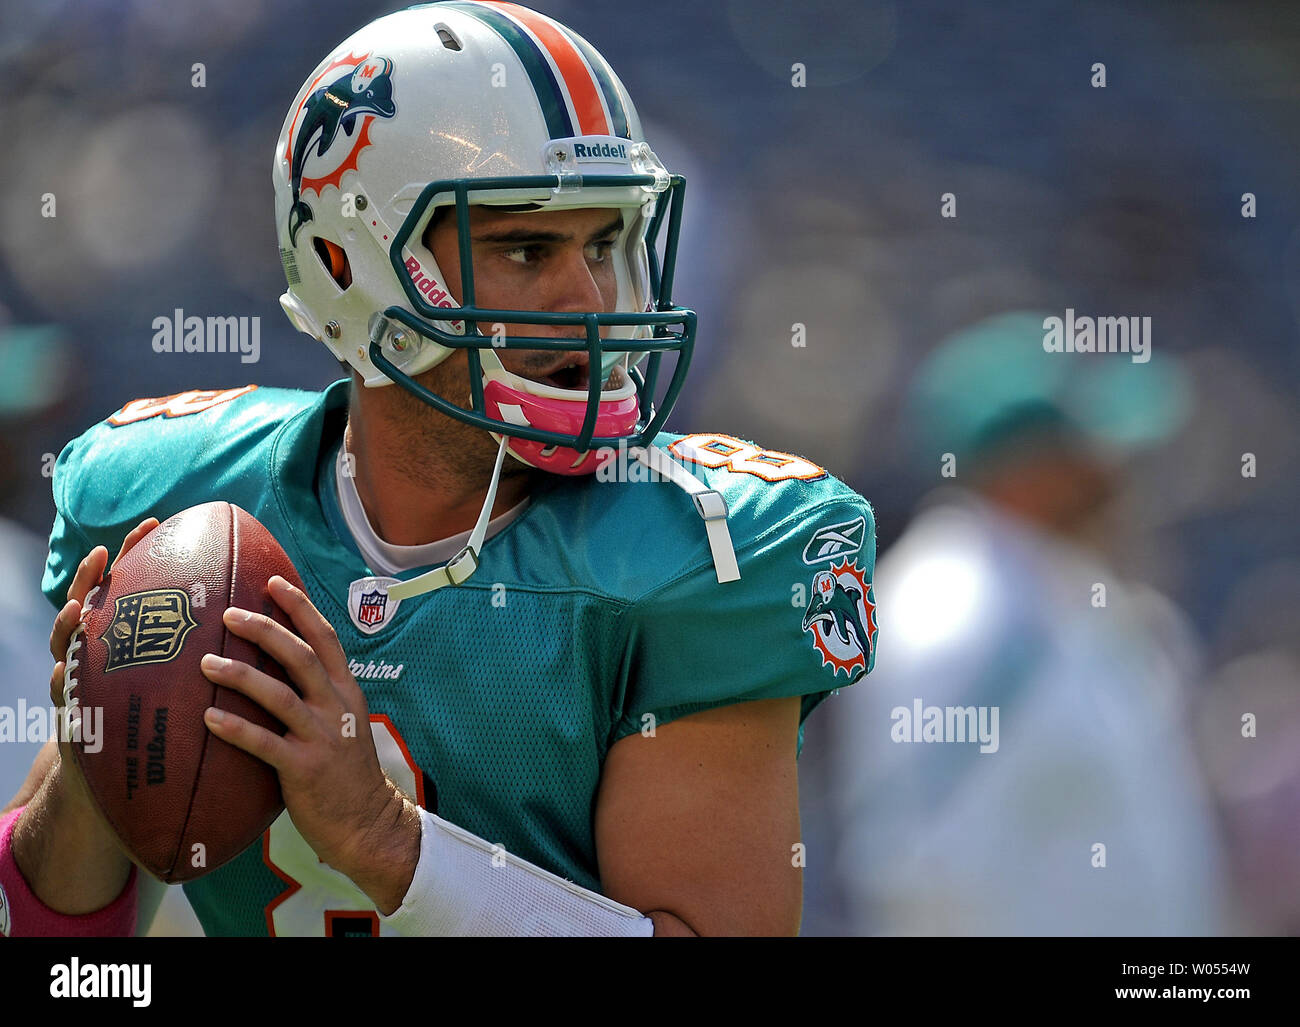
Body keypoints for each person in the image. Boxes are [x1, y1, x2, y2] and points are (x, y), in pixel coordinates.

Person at [0, 1, 877, 937]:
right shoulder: (186, 508)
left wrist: (383, 839)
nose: (591, 298)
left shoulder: (699, 549)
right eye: (528, 249)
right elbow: (62, 952)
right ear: (353, 262)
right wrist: (108, 749)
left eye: (607, 244)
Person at [799, 311, 1228, 935]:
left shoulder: (1068, 589)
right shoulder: (950, 613)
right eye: (1093, 451)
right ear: (1026, 469)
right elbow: (918, 875)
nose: (1120, 473)